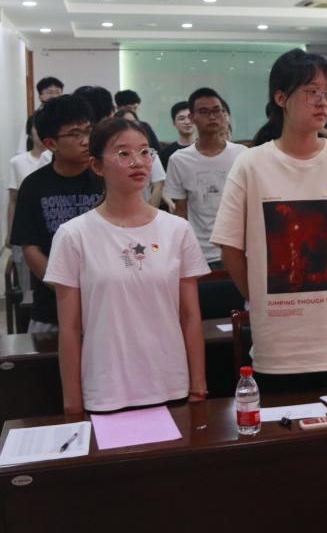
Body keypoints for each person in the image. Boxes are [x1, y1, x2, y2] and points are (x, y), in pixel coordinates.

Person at [211, 49, 327, 393]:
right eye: (311, 91)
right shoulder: (251, 164)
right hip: (281, 347)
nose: (323, 101)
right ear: (281, 98)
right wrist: (262, 299)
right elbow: (229, 249)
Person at [45, 117, 209, 413]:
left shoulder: (177, 229)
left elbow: (190, 316)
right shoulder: (73, 235)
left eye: (145, 152)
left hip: (170, 384)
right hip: (107, 390)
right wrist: (72, 403)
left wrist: (198, 384)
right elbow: (69, 329)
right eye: (123, 153)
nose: (138, 162)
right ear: (97, 166)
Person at [10, 95, 104, 334]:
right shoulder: (34, 186)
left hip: (107, 303)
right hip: (52, 309)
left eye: (89, 130)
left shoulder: (106, 178)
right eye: (75, 134)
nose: (86, 140)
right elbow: (31, 249)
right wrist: (66, 287)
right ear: (51, 143)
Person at [164, 88, 246, 266]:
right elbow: (181, 212)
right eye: (204, 112)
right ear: (192, 117)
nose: (212, 116)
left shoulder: (242, 155)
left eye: (217, 110)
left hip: (238, 249)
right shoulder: (179, 160)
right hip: (200, 252)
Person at [6, 115, 52, 304]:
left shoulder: (54, 159)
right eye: (36, 128)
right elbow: (13, 200)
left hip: (48, 226)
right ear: (29, 132)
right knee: (27, 285)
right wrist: (10, 233)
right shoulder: (17, 162)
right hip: (26, 227)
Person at [160, 101, 195, 168]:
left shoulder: (205, 149)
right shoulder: (166, 153)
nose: (187, 122)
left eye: (190, 117)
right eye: (181, 118)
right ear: (174, 123)